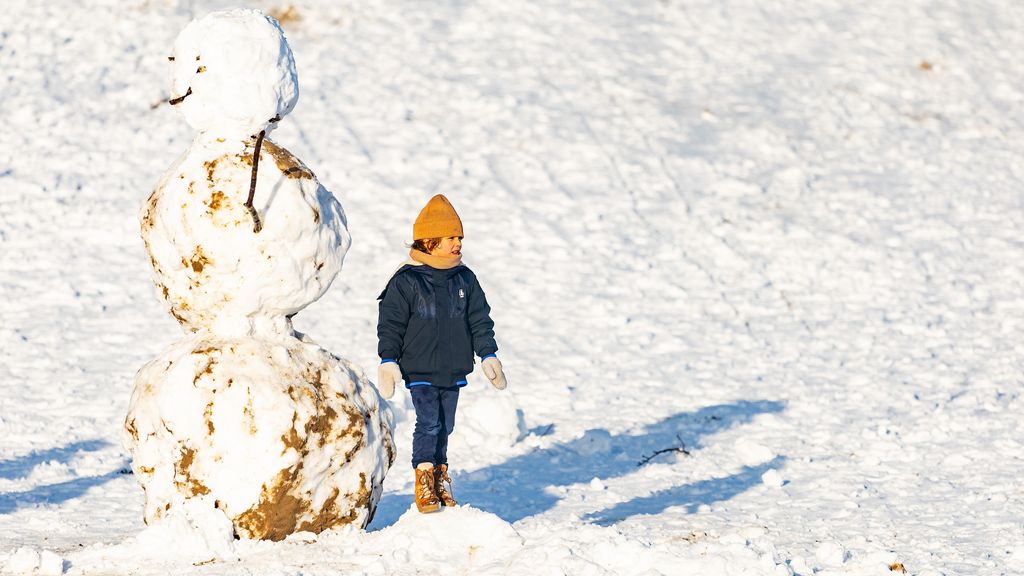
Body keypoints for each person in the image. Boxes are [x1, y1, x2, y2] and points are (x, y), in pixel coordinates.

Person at [376, 194, 508, 513]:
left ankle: (440, 478)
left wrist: (488, 354)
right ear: (429, 241)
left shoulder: (464, 278)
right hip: (419, 368)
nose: (457, 243)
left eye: (459, 237)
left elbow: (479, 319)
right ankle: (424, 481)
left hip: (452, 369)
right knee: (429, 423)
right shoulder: (406, 280)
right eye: (451, 237)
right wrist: (388, 360)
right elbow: (391, 322)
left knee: (445, 426)